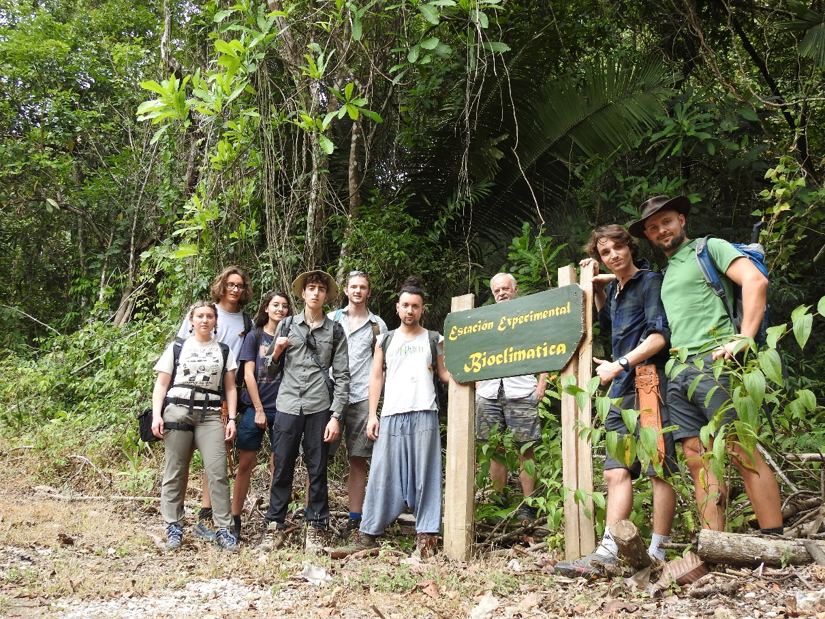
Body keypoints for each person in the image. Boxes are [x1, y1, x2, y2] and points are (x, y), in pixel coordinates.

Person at [632, 195, 783, 533]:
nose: (660, 230)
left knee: (739, 450)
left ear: (681, 219)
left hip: (714, 363)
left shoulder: (708, 248)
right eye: (652, 228)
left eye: (666, 222)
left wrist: (744, 337)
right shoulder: (667, 271)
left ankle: (775, 539)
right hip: (678, 370)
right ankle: (714, 543)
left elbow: (755, 281)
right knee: (696, 458)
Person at [555, 225, 677, 578]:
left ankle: (658, 549)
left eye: (618, 248)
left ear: (630, 247)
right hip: (620, 388)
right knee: (615, 470)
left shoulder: (650, 282)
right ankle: (609, 550)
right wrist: (598, 289)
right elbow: (610, 322)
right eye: (605, 253)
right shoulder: (620, 290)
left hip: (648, 381)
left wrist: (621, 363)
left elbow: (658, 336)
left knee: (658, 467)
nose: (613, 256)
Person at [330, 277, 452, 560]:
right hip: (392, 414)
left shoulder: (434, 339)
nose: (410, 310)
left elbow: (444, 375)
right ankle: (369, 532)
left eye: (416, 306)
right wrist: (373, 415)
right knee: (382, 473)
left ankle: (427, 534)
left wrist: (471, 380)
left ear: (422, 309)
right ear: (397, 308)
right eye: (405, 305)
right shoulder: (384, 339)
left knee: (426, 474)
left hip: (424, 412)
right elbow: (376, 377)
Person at [258, 271, 350, 554]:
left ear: (326, 296)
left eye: (321, 289)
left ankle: (317, 528)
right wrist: (277, 351)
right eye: (311, 288)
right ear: (303, 293)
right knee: (282, 466)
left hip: (319, 406)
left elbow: (344, 376)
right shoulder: (286, 325)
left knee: (317, 468)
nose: (315, 293)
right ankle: (274, 526)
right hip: (287, 404)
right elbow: (270, 369)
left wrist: (336, 416)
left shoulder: (335, 330)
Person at [151, 301, 238, 552]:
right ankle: (173, 526)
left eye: (210, 316)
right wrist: (157, 415)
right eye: (200, 316)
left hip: (210, 413)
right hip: (177, 410)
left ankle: (223, 528)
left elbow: (231, 387)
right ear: (191, 320)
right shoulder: (178, 347)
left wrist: (231, 419)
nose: (204, 320)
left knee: (217, 471)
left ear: (215, 321)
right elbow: (161, 384)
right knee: (175, 470)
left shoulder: (223, 350)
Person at [176, 266, 254, 542]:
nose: (235, 289)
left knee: (217, 460)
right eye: (231, 284)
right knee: (181, 461)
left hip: (224, 393)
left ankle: (206, 517)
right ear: (221, 285)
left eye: (240, 286)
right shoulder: (205, 312)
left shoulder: (247, 323)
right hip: (189, 392)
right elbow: (181, 351)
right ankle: (176, 521)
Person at [475, 273, 547, 522]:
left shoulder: (530, 317)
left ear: (515, 289)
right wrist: (476, 380)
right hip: (489, 390)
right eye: (497, 290)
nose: (502, 293)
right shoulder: (483, 320)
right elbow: (472, 349)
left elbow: (546, 347)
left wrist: (543, 380)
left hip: (521, 388)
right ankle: (498, 502)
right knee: (493, 448)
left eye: (506, 288)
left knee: (525, 448)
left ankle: (529, 505)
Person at [328, 270, 388, 538]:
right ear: (345, 290)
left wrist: (375, 409)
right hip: (330, 396)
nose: (357, 291)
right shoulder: (331, 320)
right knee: (319, 457)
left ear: (369, 292)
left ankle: (355, 518)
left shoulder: (378, 326)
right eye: (353, 287)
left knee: (358, 459)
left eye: (362, 287)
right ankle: (313, 515)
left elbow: (381, 368)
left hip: (363, 398)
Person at [231, 290, 291, 542]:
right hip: (255, 406)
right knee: (246, 464)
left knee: (279, 466)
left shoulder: (291, 336)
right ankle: (234, 519)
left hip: (283, 409)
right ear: (266, 308)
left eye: (285, 306)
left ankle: (273, 520)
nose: (280, 309)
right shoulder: (255, 336)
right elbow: (248, 375)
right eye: (275, 305)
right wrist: (257, 409)